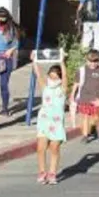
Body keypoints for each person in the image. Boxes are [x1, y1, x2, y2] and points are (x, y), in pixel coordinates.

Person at [32, 55, 66, 185]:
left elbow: (65, 77)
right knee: (41, 148)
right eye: (50, 76)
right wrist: (34, 61)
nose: (52, 79)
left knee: (54, 148)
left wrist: (61, 62)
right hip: (44, 121)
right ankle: (42, 171)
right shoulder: (45, 87)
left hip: (57, 122)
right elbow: (38, 75)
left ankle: (52, 173)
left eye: (55, 77)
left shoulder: (61, 90)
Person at [71, 50, 99, 143]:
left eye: (95, 61)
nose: (93, 64)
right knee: (85, 116)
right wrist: (72, 96)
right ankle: (85, 135)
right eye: (91, 61)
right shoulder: (82, 70)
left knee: (96, 117)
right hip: (84, 97)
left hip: (97, 98)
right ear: (86, 60)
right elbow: (76, 84)